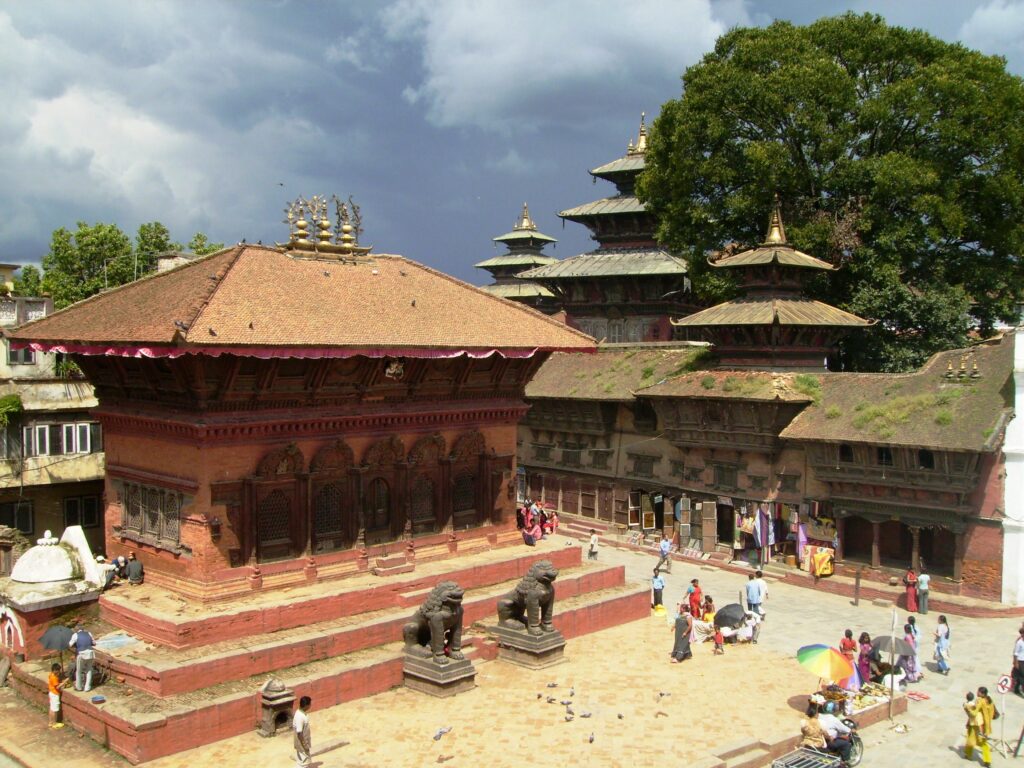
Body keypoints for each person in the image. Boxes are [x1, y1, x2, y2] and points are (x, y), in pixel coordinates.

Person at [963, 692, 990, 767]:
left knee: (977, 741)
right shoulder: (982, 702)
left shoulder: (977, 703)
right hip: (977, 723)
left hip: (978, 724)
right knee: (973, 740)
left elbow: (973, 714)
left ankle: (986, 760)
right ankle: (986, 760)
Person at [69, 623, 96, 692]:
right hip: (90, 652)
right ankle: (87, 687)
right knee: (89, 669)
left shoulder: (75, 635)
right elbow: (94, 643)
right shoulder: (89, 633)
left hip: (81, 653)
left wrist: (76, 645)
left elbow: (70, 644)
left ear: (76, 629)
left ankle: (79, 687)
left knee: (79, 670)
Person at [975, 686, 996, 768]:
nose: (977, 693)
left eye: (978, 692)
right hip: (987, 725)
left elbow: (975, 711)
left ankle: (987, 760)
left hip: (981, 725)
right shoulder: (990, 700)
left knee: (983, 743)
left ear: (982, 694)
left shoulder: (981, 701)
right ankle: (968, 752)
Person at [293, 695, 312, 767]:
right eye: (310, 704)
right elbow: (299, 733)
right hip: (301, 744)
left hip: (303, 743)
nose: (310, 706)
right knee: (303, 763)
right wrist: (305, 745)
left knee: (303, 762)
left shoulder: (301, 713)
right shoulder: (300, 716)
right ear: (306, 705)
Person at [47, 663, 65, 729]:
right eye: (58, 671)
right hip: (55, 694)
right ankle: (54, 723)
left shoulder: (50, 675)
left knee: (51, 708)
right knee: (55, 709)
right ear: (55, 670)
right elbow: (57, 687)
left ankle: (50, 722)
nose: (59, 672)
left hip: (51, 692)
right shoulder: (54, 677)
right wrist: (63, 683)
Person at [1012, 627, 1024, 696]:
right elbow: (1015, 653)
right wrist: (1015, 662)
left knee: (1020, 676)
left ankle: (1016, 689)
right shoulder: (1019, 642)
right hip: (1021, 661)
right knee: (1022, 675)